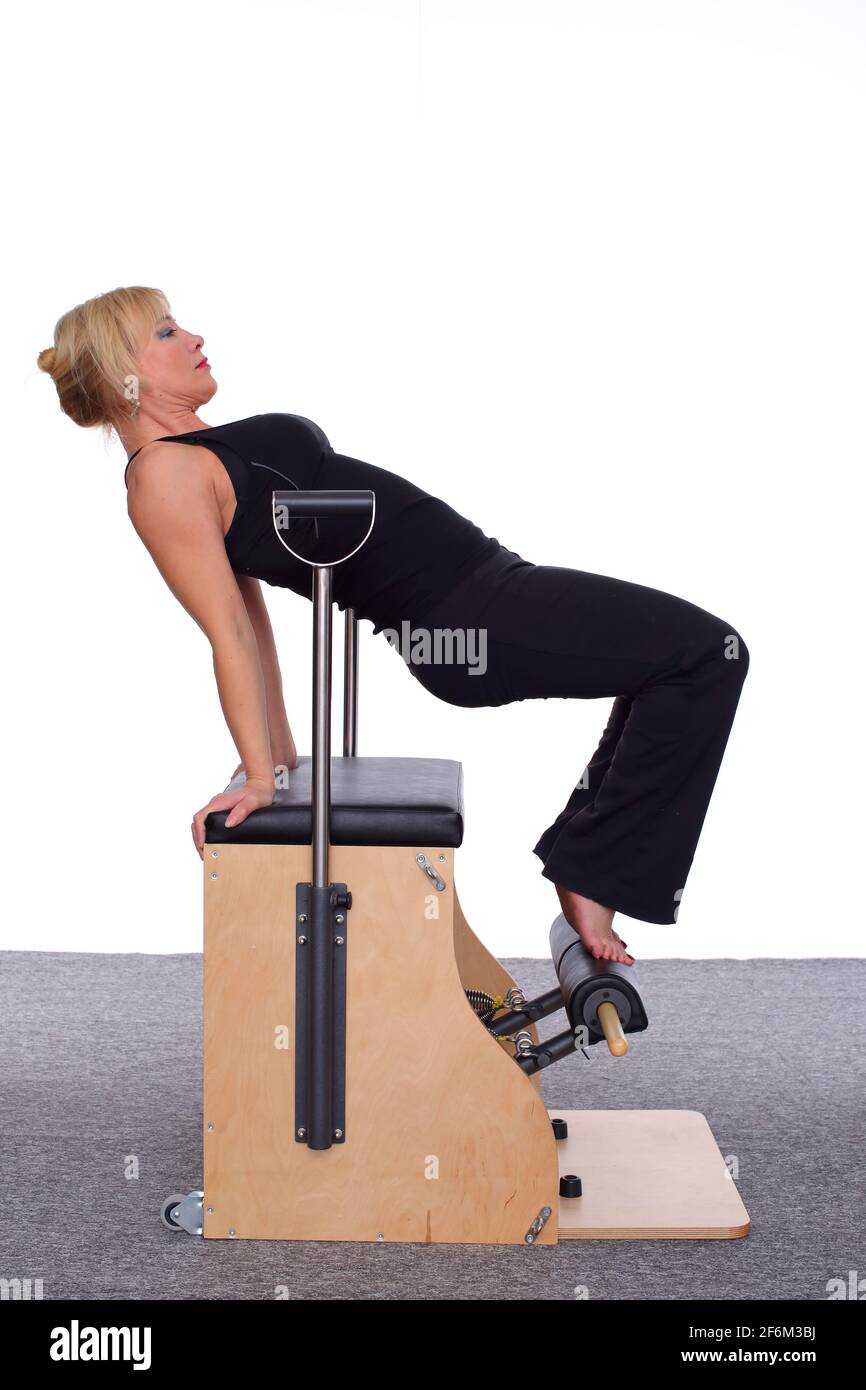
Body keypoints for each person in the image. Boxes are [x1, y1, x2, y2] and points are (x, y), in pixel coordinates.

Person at [37, 286, 750, 967]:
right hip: (470, 621)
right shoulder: (162, 479)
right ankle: (595, 875)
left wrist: (282, 759)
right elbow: (229, 631)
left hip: (493, 589)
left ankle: (592, 864)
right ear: (121, 375)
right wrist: (259, 779)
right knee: (705, 654)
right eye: (166, 332)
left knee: (678, 659)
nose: (193, 337)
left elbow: (253, 620)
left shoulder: (198, 452)